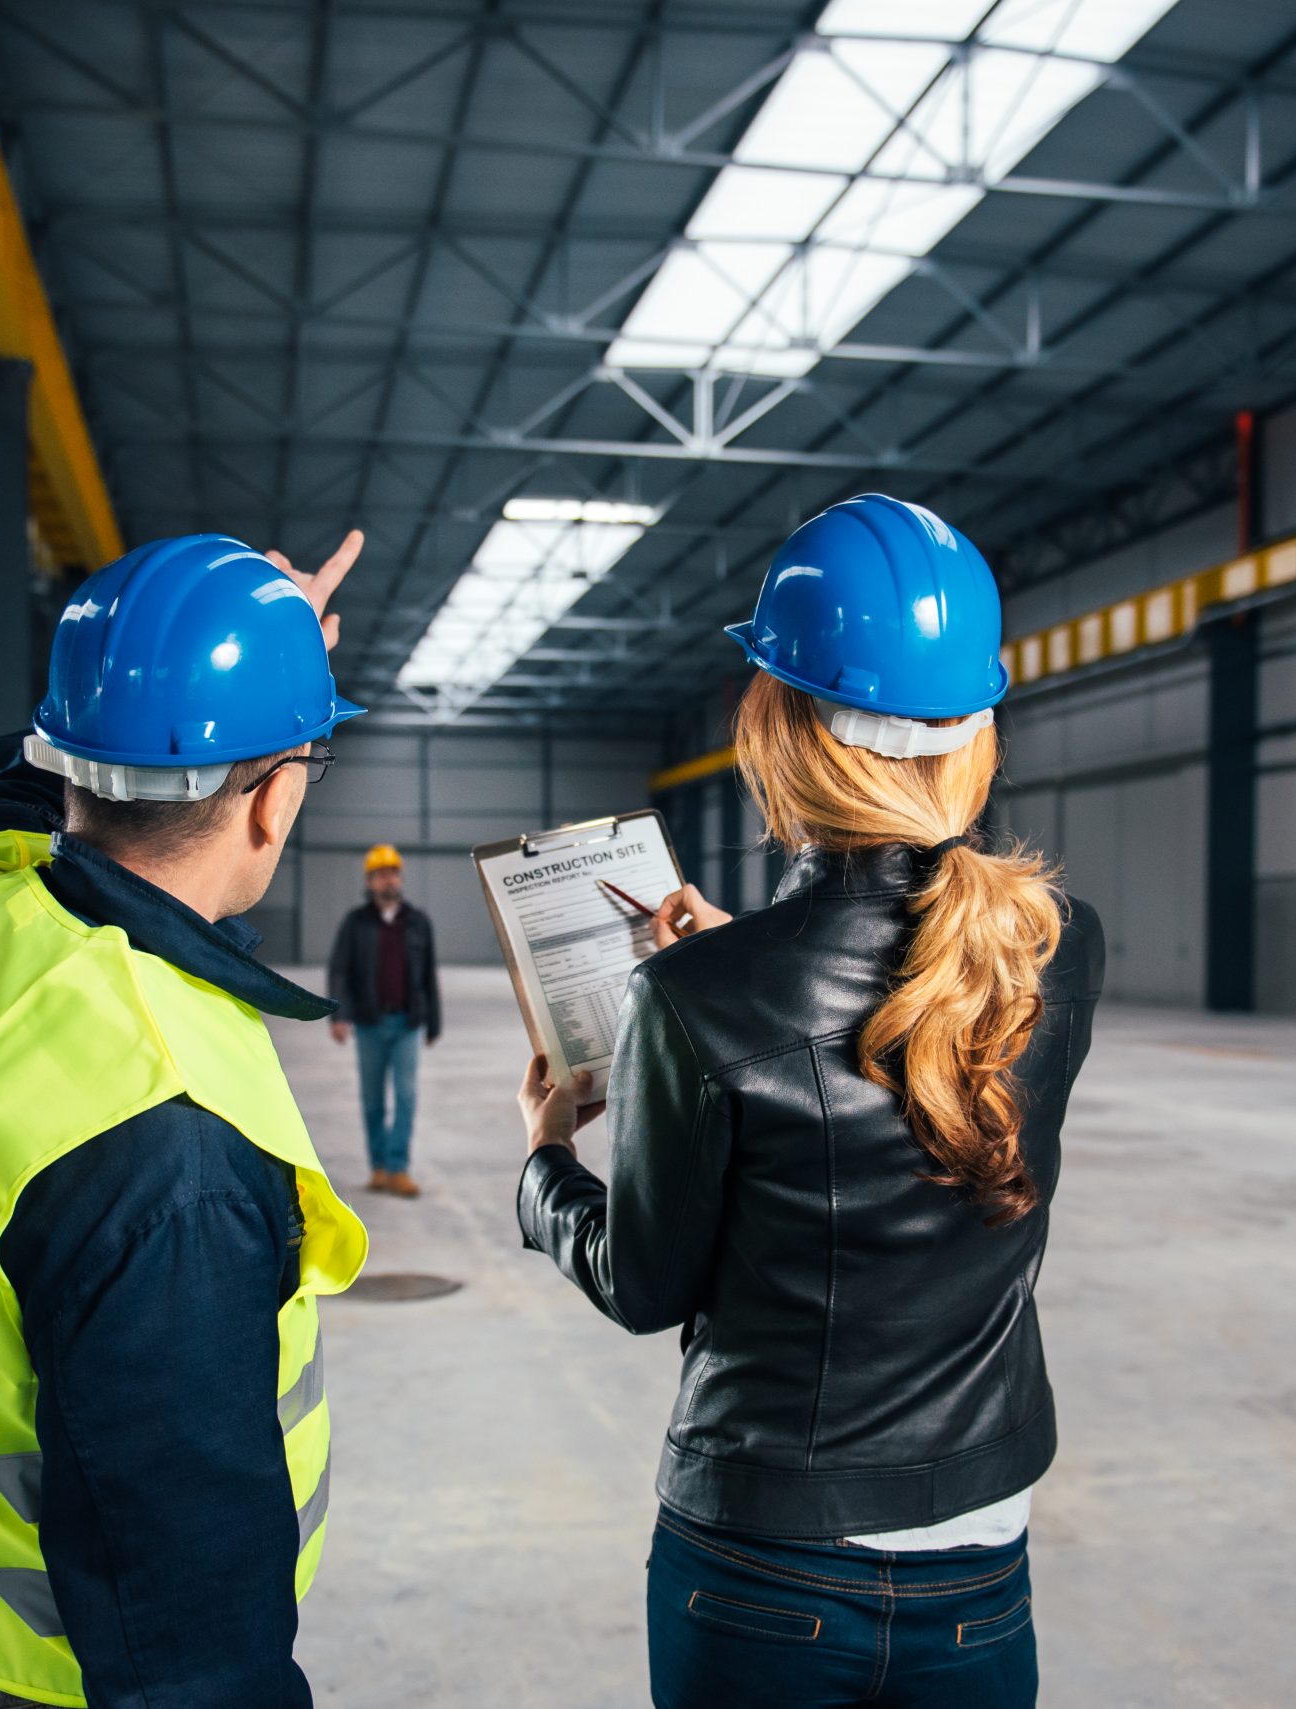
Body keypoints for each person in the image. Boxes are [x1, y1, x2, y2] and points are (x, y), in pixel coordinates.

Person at [513, 494, 1106, 1709]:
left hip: (762, 1559)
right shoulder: (1058, 946)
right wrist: (747, 960)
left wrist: (542, 1162)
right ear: (977, 725)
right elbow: (891, 1022)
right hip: (980, 1557)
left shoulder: (697, 999)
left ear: (776, 725)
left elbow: (644, 1282)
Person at [0, 530, 372, 1709]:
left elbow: (4, 785)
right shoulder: (169, 1129)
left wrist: (228, 655)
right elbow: (188, 1627)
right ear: (276, 802)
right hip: (49, 1675)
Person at [327, 842, 443, 1197]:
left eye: (391, 873)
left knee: (406, 1096)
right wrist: (339, 1015)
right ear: (370, 881)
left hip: (407, 1023)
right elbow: (339, 970)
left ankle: (397, 1167)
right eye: (379, 875)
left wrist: (433, 1021)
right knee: (373, 1099)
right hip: (369, 1023)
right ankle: (378, 1166)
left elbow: (428, 975)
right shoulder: (355, 923)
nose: (386, 880)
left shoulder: (418, 922)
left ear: (399, 878)